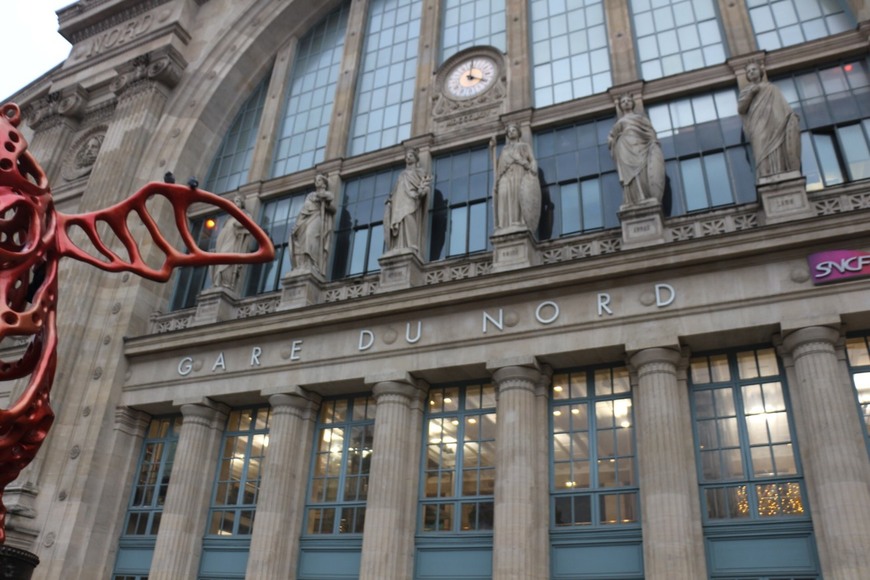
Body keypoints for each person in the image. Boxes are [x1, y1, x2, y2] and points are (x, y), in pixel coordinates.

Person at [738, 61, 801, 179]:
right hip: (757, 125)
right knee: (761, 149)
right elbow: (741, 109)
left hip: (774, 123)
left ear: (760, 71)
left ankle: (780, 173)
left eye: (754, 69)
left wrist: (791, 117)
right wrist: (751, 94)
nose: (751, 72)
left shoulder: (772, 88)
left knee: (777, 147)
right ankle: (765, 175)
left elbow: (783, 106)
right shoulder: (746, 91)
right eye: (748, 71)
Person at [608, 94, 665, 208]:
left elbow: (650, 131)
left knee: (642, 171)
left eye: (629, 100)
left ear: (633, 103)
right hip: (625, 148)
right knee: (631, 177)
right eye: (623, 101)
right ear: (620, 106)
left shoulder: (641, 119)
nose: (626, 102)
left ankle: (645, 197)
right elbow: (611, 137)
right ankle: (633, 200)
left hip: (640, 147)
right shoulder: (620, 123)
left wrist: (653, 143)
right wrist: (617, 140)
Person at [491, 123, 540, 233]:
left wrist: (533, 168)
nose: (511, 132)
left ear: (518, 132)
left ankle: (518, 222)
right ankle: (504, 225)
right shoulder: (504, 149)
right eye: (509, 131)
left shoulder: (524, 146)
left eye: (513, 130)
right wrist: (492, 149)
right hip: (505, 175)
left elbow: (532, 159)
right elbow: (497, 166)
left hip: (519, 172)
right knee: (504, 197)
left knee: (517, 196)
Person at [384, 148, 431, 254]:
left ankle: (411, 244)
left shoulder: (420, 172)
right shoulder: (401, 174)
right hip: (399, 201)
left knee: (409, 218)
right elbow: (396, 189)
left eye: (411, 156)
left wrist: (421, 191)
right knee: (400, 222)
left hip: (412, 198)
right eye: (407, 156)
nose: (408, 157)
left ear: (415, 158)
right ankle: (399, 245)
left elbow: (425, 185)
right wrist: (390, 200)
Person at [291, 173, 335, 275]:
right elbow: (306, 207)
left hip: (317, 217)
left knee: (310, 235)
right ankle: (304, 264)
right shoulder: (311, 195)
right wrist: (318, 198)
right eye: (316, 181)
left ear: (324, 183)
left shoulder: (327, 194)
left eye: (319, 180)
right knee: (303, 238)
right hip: (308, 218)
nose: (316, 182)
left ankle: (313, 263)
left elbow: (332, 206)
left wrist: (324, 201)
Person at [211, 195, 251, 289]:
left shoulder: (245, 215)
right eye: (234, 201)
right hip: (224, 238)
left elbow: (249, 226)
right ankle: (218, 280)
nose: (235, 203)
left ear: (242, 203)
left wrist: (239, 225)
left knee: (227, 256)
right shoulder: (229, 217)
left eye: (237, 201)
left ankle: (226, 282)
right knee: (220, 256)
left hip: (233, 239)